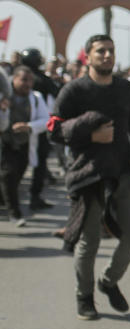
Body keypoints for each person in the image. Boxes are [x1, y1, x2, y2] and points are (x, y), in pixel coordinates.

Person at [48, 35, 130, 321]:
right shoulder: (74, 91)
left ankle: (108, 281)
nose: (107, 55)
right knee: (89, 242)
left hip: (123, 172)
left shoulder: (127, 89)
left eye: (111, 51)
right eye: (100, 51)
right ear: (87, 57)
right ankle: (85, 297)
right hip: (88, 175)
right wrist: (90, 135)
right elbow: (53, 129)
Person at [0, 67, 50, 227]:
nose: (26, 84)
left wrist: (29, 126)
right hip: (4, 143)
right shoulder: (4, 97)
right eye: (23, 79)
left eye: (29, 80)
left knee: (16, 177)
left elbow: (46, 121)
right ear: (13, 79)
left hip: (23, 144)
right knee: (8, 175)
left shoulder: (36, 98)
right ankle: (15, 213)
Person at [19, 47, 58, 209]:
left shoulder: (13, 77)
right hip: (23, 128)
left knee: (36, 162)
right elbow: (58, 94)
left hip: (33, 127)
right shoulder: (43, 79)